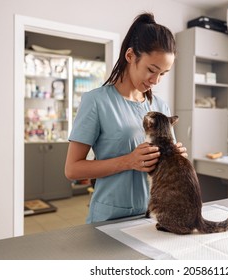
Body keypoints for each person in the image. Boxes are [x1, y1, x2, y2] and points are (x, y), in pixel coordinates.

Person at [65, 12, 187, 223]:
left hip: (153, 217)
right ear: (130, 56)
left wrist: (176, 157)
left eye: (163, 74)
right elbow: (72, 169)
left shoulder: (160, 107)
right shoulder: (96, 101)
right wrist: (128, 161)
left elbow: (163, 166)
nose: (156, 80)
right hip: (109, 219)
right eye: (152, 70)